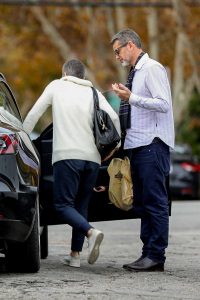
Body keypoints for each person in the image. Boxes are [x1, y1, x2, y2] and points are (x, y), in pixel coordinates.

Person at [23, 59, 121, 268]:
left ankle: (90, 232)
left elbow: (34, 114)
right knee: (81, 205)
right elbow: (113, 117)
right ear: (83, 76)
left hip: (67, 156)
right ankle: (75, 255)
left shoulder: (56, 86)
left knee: (62, 205)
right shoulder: (93, 91)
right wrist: (116, 146)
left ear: (64, 73)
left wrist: (22, 141)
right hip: (93, 159)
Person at [111, 29, 175, 272]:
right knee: (144, 202)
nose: (117, 56)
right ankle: (147, 252)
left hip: (152, 144)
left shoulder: (152, 68)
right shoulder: (135, 73)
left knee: (155, 202)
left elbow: (164, 104)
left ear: (130, 45)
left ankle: (156, 255)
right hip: (137, 145)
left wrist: (132, 97)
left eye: (118, 51)